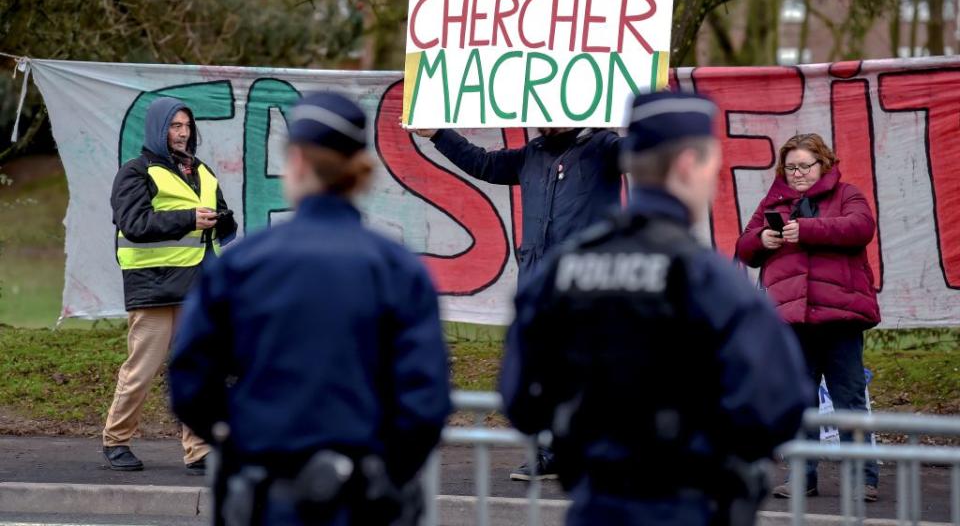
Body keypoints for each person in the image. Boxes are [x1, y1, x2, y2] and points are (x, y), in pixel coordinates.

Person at [500, 91, 813, 526]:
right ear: (688, 164)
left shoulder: (560, 274)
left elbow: (520, 398)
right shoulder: (711, 282)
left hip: (595, 506)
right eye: (712, 163)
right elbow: (780, 405)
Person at [169, 91, 451, 525]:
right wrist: (387, 469)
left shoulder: (245, 265)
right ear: (359, 173)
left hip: (266, 497)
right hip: (366, 501)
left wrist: (239, 438)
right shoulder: (398, 270)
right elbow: (426, 400)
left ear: (296, 162)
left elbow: (191, 380)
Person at [412, 125, 622, 481]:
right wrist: (439, 134)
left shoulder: (605, 146)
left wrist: (651, 116)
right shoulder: (533, 152)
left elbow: (646, 156)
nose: (540, 117)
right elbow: (483, 165)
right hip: (539, 286)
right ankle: (550, 452)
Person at [735, 133, 881, 502]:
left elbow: (861, 227)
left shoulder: (848, 194)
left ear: (824, 164)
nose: (797, 173)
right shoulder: (775, 200)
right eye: (791, 166)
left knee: (848, 399)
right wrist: (761, 240)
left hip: (839, 317)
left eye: (805, 166)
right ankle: (803, 477)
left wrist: (808, 230)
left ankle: (863, 478)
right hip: (791, 319)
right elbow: (744, 246)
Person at [104, 96, 236, 474]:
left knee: (198, 370)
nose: (182, 133)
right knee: (141, 370)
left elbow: (219, 223)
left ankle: (197, 450)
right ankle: (116, 439)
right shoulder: (136, 172)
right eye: (174, 127)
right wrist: (189, 218)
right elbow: (135, 223)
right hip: (156, 288)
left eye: (186, 126)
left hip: (198, 287)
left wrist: (222, 220)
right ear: (158, 130)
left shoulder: (202, 171)